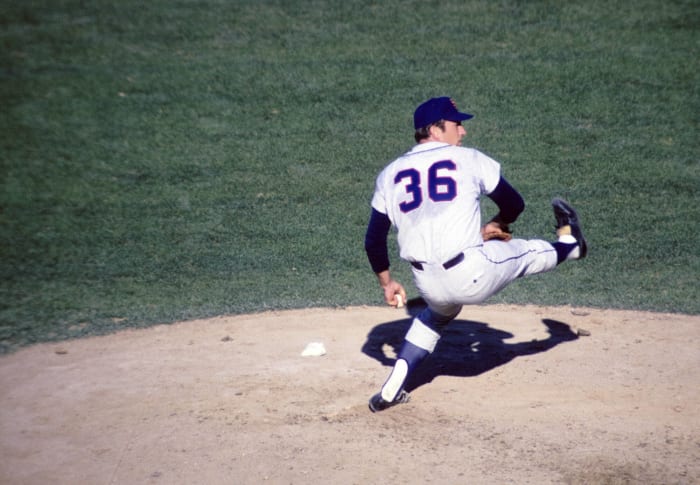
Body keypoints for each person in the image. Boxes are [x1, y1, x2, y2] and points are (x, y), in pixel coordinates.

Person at [364, 96, 587, 412]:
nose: (463, 132)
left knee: (436, 314)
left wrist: (387, 284)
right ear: (436, 129)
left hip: (427, 284)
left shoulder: (390, 174)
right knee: (520, 253)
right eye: (457, 124)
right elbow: (515, 204)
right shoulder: (467, 159)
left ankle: (393, 385)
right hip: (472, 273)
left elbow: (373, 240)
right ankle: (571, 246)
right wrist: (498, 223)